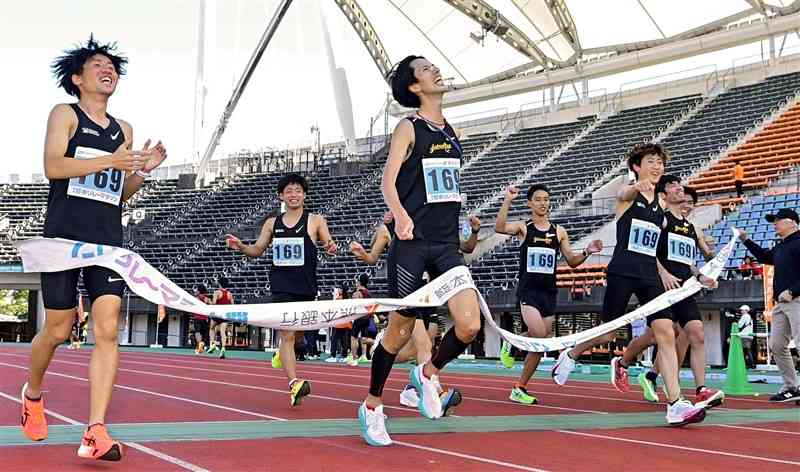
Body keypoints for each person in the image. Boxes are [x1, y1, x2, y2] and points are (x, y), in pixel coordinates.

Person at [21, 36, 167, 461]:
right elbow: (54, 167)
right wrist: (112, 161)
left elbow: (118, 194)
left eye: (114, 67)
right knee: (59, 329)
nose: (109, 71)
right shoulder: (64, 114)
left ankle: (96, 431)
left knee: (106, 329)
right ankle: (32, 394)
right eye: (99, 65)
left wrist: (143, 172)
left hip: (106, 242)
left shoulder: (124, 130)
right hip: (64, 239)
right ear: (77, 78)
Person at [358, 55, 485, 446]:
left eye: (434, 66)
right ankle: (372, 404)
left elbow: (445, 191)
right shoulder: (408, 127)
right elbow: (388, 181)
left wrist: (465, 229)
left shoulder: (452, 131)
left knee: (470, 324)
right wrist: (399, 216)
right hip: (411, 246)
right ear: (414, 87)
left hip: (446, 246)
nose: (436, 71)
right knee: (397, 334)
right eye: (426, 69)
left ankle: (428, 372)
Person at [550, 144, 707, 426]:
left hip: (649, 276)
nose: (657, 166)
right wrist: (638, 187)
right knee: (607, 334)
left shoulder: (661, 205)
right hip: (623, 272)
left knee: (666, 333)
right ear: (637, 166)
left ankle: (675, 403)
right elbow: (623, 193)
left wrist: (672, 271)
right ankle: (571, 353)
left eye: (660, 162)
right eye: (651, 161)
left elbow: (657, 247)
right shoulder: (626, 196)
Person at [226, 173, 337, 407]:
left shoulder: (315, 220)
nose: (293, 195)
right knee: (287, 334)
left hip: (306, 285)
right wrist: (240, 247)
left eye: (297, 190)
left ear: (304, 194)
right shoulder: (271, 223)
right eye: (288, 191)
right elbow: (257, 249)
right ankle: (294, 383)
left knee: (299, 335)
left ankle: (280, 354)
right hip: (281, 285)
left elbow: (328, 244)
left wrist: (330, 247)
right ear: (281, 196)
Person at [614, 177, 722, 409]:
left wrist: (701, 275)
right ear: (666, 195)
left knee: (696, 333)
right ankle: (623, 362)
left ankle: (701, 390)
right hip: (659, 285)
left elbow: (686, 261)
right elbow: (648, 249)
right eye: (679, 191)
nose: (687, 202)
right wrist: (662, 273)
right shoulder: (661, 219)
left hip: (684, 287)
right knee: (658, 336)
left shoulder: (692, 228)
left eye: (691, 200)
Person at [494, 183, 602, 405]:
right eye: (539, 199)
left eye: (546, 199)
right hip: (529, 292)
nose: (543, 203)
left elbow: (572, 261)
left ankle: (519, 385)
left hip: (549, 293)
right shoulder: (524, 228)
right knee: (540, 336)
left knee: (540, 343)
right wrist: (507, 200)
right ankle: (514, 347)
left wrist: (587, 252)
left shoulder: (559, 231)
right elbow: (499, 227)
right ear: (530, 203)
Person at [739, 208, 800, 402]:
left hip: (796, 299)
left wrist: (792, 291)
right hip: (781, 304)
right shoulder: (781, 246)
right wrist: (746, 240)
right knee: (776, 345)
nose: (775, 223)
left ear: (792, 222)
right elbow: (765, 257)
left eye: (778, 220)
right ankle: (792, 386)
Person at [206, 277, 233, 359]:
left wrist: (209, 301)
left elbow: (214, 303)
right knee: (222, 332)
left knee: (211, 328)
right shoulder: (229, 294)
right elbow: (232, 305)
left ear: (220, 284)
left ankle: (212, 344)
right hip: (225, 315)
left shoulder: (217, 292)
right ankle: (223, 348)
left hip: (217, 314)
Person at [192, 284, 212, 354]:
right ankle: (202, 345)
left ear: (199, 291)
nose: (196, 291)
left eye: (197, 290)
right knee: (204, 334)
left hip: (197, 317)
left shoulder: (195, 299)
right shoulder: (207, 299)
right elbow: (212, 306)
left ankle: (198, 346)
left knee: (197, 332)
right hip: (205, 318)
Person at [737, 305, 755, 369]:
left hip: (744, 335)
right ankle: (751, 364)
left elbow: (739, 325)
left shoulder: (745, 316)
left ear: (745, 310)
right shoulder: (750, 317)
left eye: (742, 310)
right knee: (748, 350)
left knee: (745, 351)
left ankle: (748, 364)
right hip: (749, 336)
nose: (741, 311)